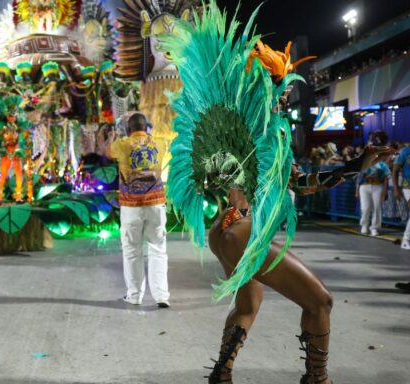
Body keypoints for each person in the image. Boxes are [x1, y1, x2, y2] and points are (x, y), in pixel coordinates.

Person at [157, 4, 389, 383]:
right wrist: (229, 176)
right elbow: (227, 173)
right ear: (261, 90)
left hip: (227, 230)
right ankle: (317, 379)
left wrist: (355, 166)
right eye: (278, 89)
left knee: (249, 304)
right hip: (241, 229)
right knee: (321, 301)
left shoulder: (264, 136)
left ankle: (222, 374)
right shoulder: (252, 134)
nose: (284, 98)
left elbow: (300, 183)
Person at [106, 112, 170, 307]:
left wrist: (113, 136)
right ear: (146, 127)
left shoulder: (123, 145)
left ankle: (135, 296)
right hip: (155, 203)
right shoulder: (159, 143)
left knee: (132, 251)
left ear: (129, 129)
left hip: (131, 206)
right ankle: (162, 296)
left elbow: (107, 152)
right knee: (158, 249)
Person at [356, 156, 390, 236]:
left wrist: (385, 191)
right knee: (365, 208)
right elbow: (358, 178)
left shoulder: (382, 164)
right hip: (364, 187)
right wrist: (356, 191)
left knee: (377, 207)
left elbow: (386, 178)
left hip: (378, 186)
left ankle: (374, 228)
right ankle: (364, 225)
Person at [392, 142, 410, 250]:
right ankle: (405, 240)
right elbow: (395, 171)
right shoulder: (404, 151)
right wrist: (395, 189)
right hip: (408, 186)